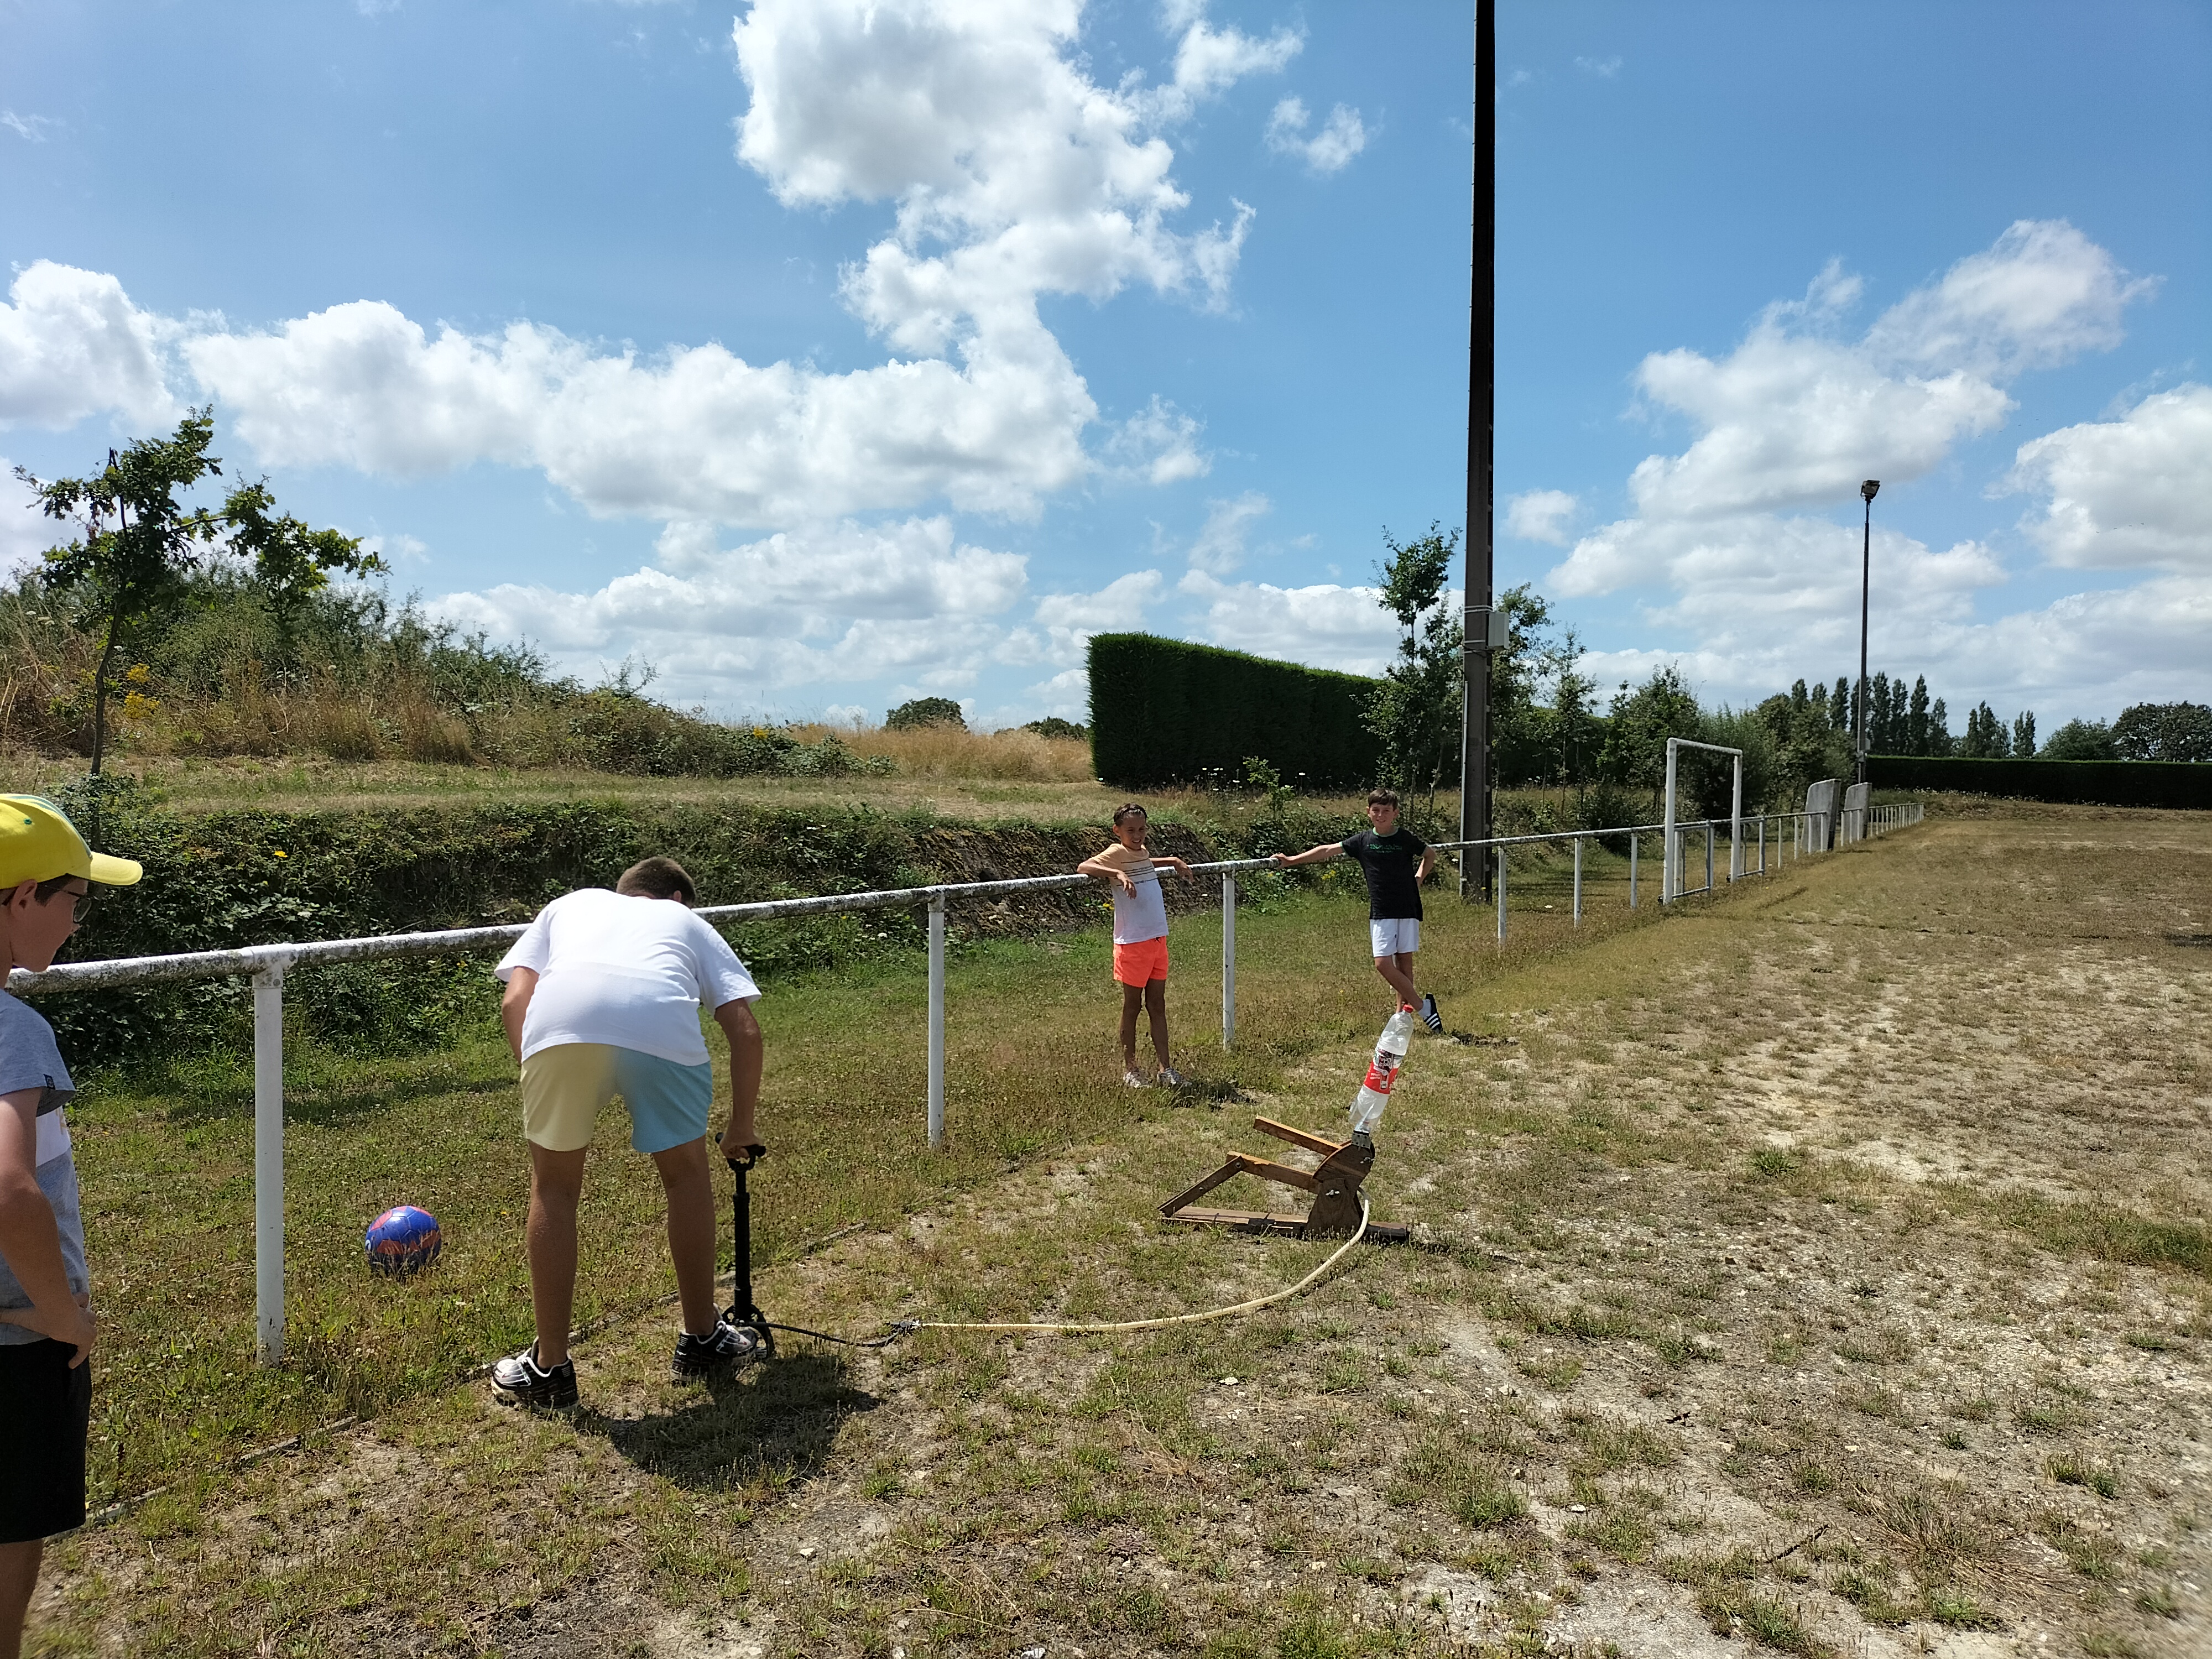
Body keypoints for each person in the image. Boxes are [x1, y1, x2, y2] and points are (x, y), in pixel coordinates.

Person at [491, 856, 764, 1410]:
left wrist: (540, 1069)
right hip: (660, 1027)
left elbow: (515, 1001)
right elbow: (745, 1030)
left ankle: (550, 1368)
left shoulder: (566, 906)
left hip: (559, 1030)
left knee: (554, 1188)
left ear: (626, 892)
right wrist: (741, 1126)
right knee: (686, 1178)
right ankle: (701, 1336)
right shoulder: (687, 922)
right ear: (677, 901)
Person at [0, 797, 142, 1659]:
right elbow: (12, 1193)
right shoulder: (15, 1030)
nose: (77, 918)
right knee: (13, 1528)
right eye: (73, 898)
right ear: (21, 898)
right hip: (15, 1346)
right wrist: (60, 1314)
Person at [1273, 787, 1443, 1032]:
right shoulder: (1363, 841)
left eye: (1386, 811)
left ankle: (1400, 1018)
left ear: (1395, 813)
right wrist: (1292, 860)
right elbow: (1327, 850)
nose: (1381, 815)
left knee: (1404, 963)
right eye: (1376, 811)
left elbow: (1429, 855)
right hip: (1382, 910)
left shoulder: (1405, 839)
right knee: (1383, 963)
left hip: (1407, 906)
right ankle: (1423, 1007)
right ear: (1368, 812)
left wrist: (1419, 877)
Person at [1077, 804, 1194, 1088]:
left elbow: (1144, 861)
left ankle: (1165, 1069)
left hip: (1157, 939)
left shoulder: (1139, 853)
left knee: (1158, 1005)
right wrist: (1117, 875)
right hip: (1132, 943)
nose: (1137, 835)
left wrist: (1173, 860)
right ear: (1117, 831)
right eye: (1130, 830)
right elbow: (1084, 867)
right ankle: (1131, 1070)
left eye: (1142, 829)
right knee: (1133, 1006)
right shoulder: (1116, 853)